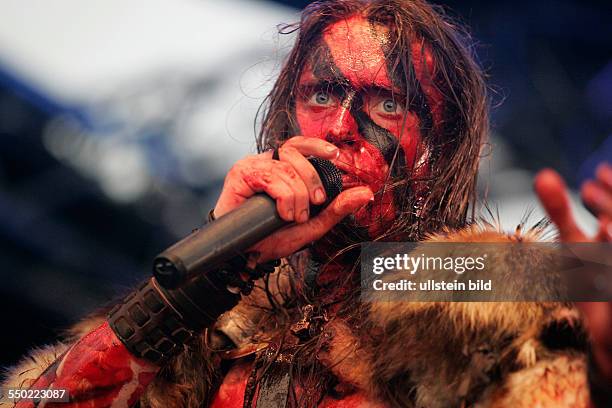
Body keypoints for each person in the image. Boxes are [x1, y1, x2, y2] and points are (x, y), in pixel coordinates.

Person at [2, 1, 611, 407]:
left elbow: (579, 280)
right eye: (321, 93)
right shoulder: (223, 318)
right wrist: (203, 283)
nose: (340, 126)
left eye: (388, 104)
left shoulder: (446, 275)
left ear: (443, 146)